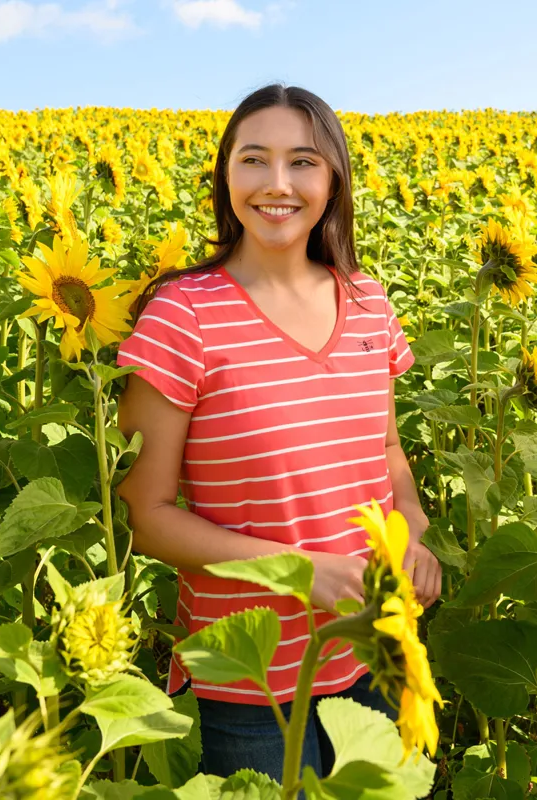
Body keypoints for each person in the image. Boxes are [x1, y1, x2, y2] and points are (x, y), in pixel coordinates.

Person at [116, 83, 442, 781]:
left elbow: (385, 451)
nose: (277, 184)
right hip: (245, 677)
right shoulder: (182, 316)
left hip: (373, 652)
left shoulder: (367, 301)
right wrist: (299, 573)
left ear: (333, 179)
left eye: (302, 162)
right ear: (225, 176)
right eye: (253, 160)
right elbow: (142, 516)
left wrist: (412, 531)